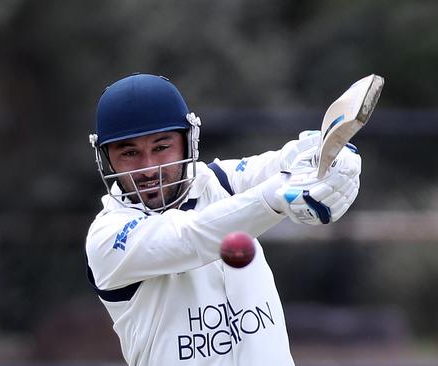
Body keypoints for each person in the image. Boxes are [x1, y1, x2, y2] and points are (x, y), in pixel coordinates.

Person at [84, 73, 361, 365]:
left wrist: (337, 160)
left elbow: (290, 159)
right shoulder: (108, 237)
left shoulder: (221, 183)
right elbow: (191, 237)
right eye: (130, 153)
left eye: (161, 147)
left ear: (188, 140)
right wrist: (276, 195)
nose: (149, 168)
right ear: (106, 158)